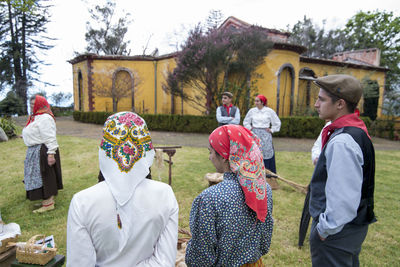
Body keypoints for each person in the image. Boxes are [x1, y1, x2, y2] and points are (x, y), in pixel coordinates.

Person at [67, 112, 179, 266]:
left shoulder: (82, 202)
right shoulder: (164, 195)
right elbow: (165, 261)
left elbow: (79, 263)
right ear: (146, 149)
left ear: (104, 150)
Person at [309, 74, 376, 266]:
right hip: (349, 229)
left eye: (321, 99)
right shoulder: (355, 130)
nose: (316, 104)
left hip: (338, 234)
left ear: (340, 104)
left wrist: (324, 230)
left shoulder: (342, 141)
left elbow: (343, 199)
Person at [185, 125, 273, 266]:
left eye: (211, 152)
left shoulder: (209, 198)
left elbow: (200, 257)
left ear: (225, 156)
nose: (210, 157)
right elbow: (264, 242)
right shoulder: (263, 190)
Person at [22, 95, 63, 213]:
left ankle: (48, 203)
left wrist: (51, 154)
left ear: (40, 105)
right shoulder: (36, 117)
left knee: (45, 176)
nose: (31, 107)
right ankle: (45, 200)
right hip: (35, 150)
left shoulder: (45, 118)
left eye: (33, 104)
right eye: (30, 104)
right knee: (37, 176)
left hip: (44, 151)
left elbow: (50, 137)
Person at [243, 94, 281, 173]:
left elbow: (277, 122)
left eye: (257, 101)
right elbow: (246, 122)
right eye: (255, 101)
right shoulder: (252, 111)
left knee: (266, 152)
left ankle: (268, 173)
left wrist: (272, 130)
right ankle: (253, 171)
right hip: (254, 134)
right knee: (254, 152)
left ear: (262, 102)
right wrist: (250, 128)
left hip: (265, 134)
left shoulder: (269, 111)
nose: (256, 103)